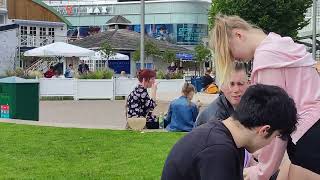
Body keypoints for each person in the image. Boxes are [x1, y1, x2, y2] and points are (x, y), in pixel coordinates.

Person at [212, 14, 320, 179]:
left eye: (229, 52)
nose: (233, 58)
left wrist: (261, 171)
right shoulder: (280, 44)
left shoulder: (266, 59)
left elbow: (271, 122)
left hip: (306, 134)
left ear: (238, 35)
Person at [161, 84, 298, 180]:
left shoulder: (225, 138)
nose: (271, 143)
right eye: (275, 136)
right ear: (264, 130)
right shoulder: (218, 151)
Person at [195, 62, 249, 127]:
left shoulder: (251, 105)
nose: (236, 90)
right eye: (231, 84)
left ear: (248, 84)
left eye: (240, 84)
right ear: (221, 86)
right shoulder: (215, 119)